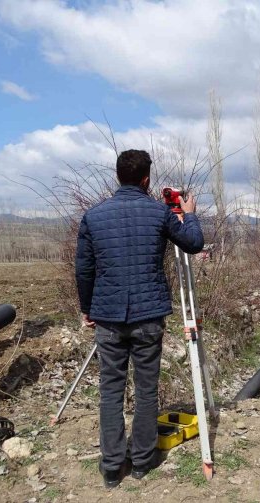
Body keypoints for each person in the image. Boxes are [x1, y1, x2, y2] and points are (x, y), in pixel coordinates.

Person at [75, 150, 204, 488]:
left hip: (108, 317)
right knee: (146, 391)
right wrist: (188, 215)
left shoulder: (94, 216)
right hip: (148, 316)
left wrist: (87, 307)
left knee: (110, 391)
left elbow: (84, 269)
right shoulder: (160, 213)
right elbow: (193, 243)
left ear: (118, 176)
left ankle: (111, 467)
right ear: (146, 179)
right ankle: (143, 462)